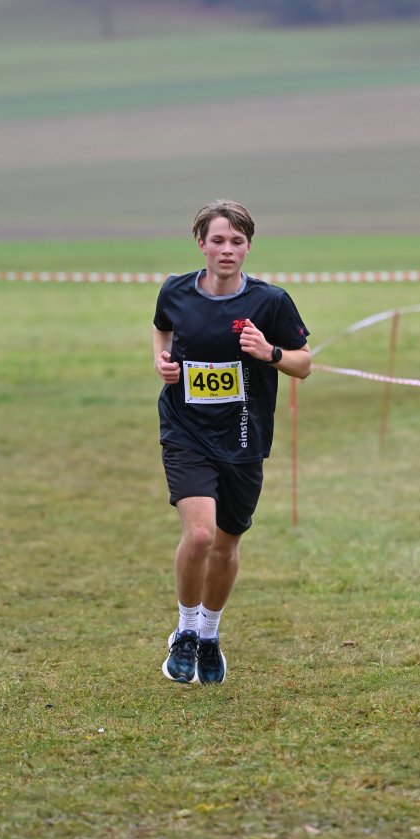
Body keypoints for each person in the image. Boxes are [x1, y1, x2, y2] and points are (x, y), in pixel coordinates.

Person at [152, 200, 311, 685]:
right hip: (186, 430)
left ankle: (209, 635)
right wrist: (162, 361)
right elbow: (162, 328)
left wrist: (270, 352)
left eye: (237, 241)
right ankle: (184, 631)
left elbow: (304, 363)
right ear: (201, 243)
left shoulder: (270, 302)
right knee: (200, 535)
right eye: (218, 240)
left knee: (225, 545)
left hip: (244, 437)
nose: (227, 249)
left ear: (248, 247)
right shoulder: (176, 290)